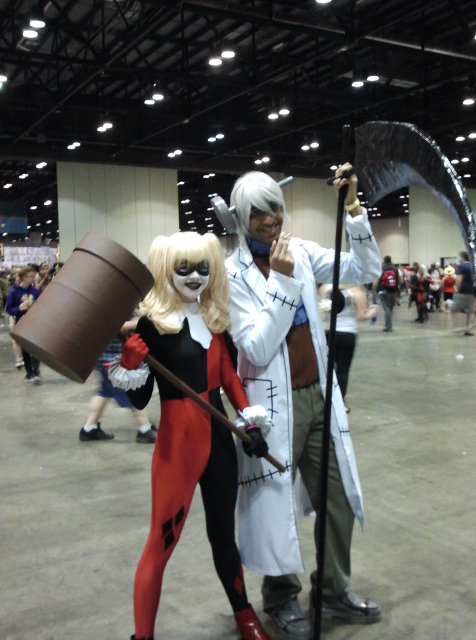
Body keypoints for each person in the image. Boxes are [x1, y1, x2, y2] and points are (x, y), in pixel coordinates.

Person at [225, 165, 382, 638]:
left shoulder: (303, 252)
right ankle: (280, 597)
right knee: (274, 503)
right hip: (271, 410)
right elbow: (253, 347)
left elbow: (367, 269)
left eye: (274, 209)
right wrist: (286, 283)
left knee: (336, 499)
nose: (270, 221)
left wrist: (353, 209)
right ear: (240, 219)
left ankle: (333, 589)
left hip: (319, 397)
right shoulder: (232, 275)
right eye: (258, 215)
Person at [109, 231, 274, 640]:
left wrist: (250, 423)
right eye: (184, 269)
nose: (195, 276)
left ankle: (245, 616)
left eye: (203, 267)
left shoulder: (214, 319)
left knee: (223, 535)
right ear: (167, 271)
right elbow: (141, 398)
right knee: (161, 543)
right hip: (176, 450)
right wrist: (131, 362)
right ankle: (142, 636)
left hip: (219, 442)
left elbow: (231, 379)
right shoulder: (153, 325)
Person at [79, 335, 157, 443]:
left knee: (104, 391)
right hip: (117, 361)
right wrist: (138, 322)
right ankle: (144, 429)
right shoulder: (113, 318)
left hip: (103, 359)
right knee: (134, 393)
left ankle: (89, 428)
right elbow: (119, 326)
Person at [319, 284, 376, 413]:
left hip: (329, 333)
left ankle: (324, 398)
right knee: (343, 369)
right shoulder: (356, 292)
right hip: (348, 334)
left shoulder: (326, 288)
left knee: (326, 368)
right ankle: (340, 402)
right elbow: (362, 316)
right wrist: (373, 312)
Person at [5, 265, 42, 383]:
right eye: (27, 277)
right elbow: (9, 309)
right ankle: (29, 372)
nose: (30, 279)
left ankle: (36, 372)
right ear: (21, 277)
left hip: (35, 322)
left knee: (36, 349)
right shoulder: (14, 291)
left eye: (32, 276)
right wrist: (19, 308)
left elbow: (42, 307)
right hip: (21, 323)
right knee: (25, 349)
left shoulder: (35, 291)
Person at [372, 255, 402, 332]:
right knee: (390, 309)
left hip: (383, 291)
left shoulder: (381, 269)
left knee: (386, 309)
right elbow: (401, 281)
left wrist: (373, 292)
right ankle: (389, 325)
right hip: (393, 291)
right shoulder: (397, 270)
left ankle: (388, 326)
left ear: (384, 261)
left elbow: (375, 282)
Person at [451, 250, 475, 335]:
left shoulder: (462, 266)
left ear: (462, 257)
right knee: (470, 311)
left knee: (454, 309)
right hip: (472, 291)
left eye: (459, 257)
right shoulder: (472, 265)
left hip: (464, 292)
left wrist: (456, 289)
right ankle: (469, 329)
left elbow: (459, 279)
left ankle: (459, 327)